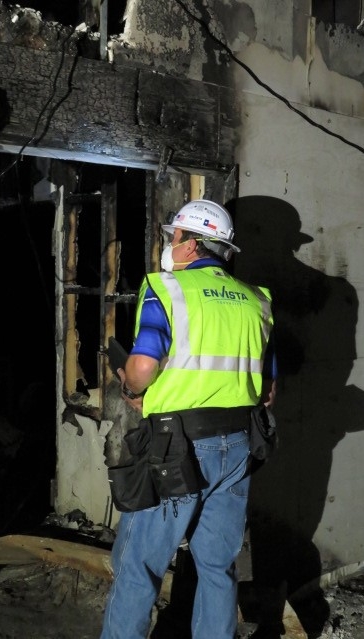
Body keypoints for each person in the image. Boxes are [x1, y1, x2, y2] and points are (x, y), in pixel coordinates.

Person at [100, 199, 277, 639]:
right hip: (238, 448)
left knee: (139, 565)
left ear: (193, 245)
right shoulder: (258, 301)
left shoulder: (166, 289)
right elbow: (269, 392)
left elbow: (142, 367)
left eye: (174, 237)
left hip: (176, 448)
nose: (169, 245)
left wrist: (133, 389)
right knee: (217, 568)